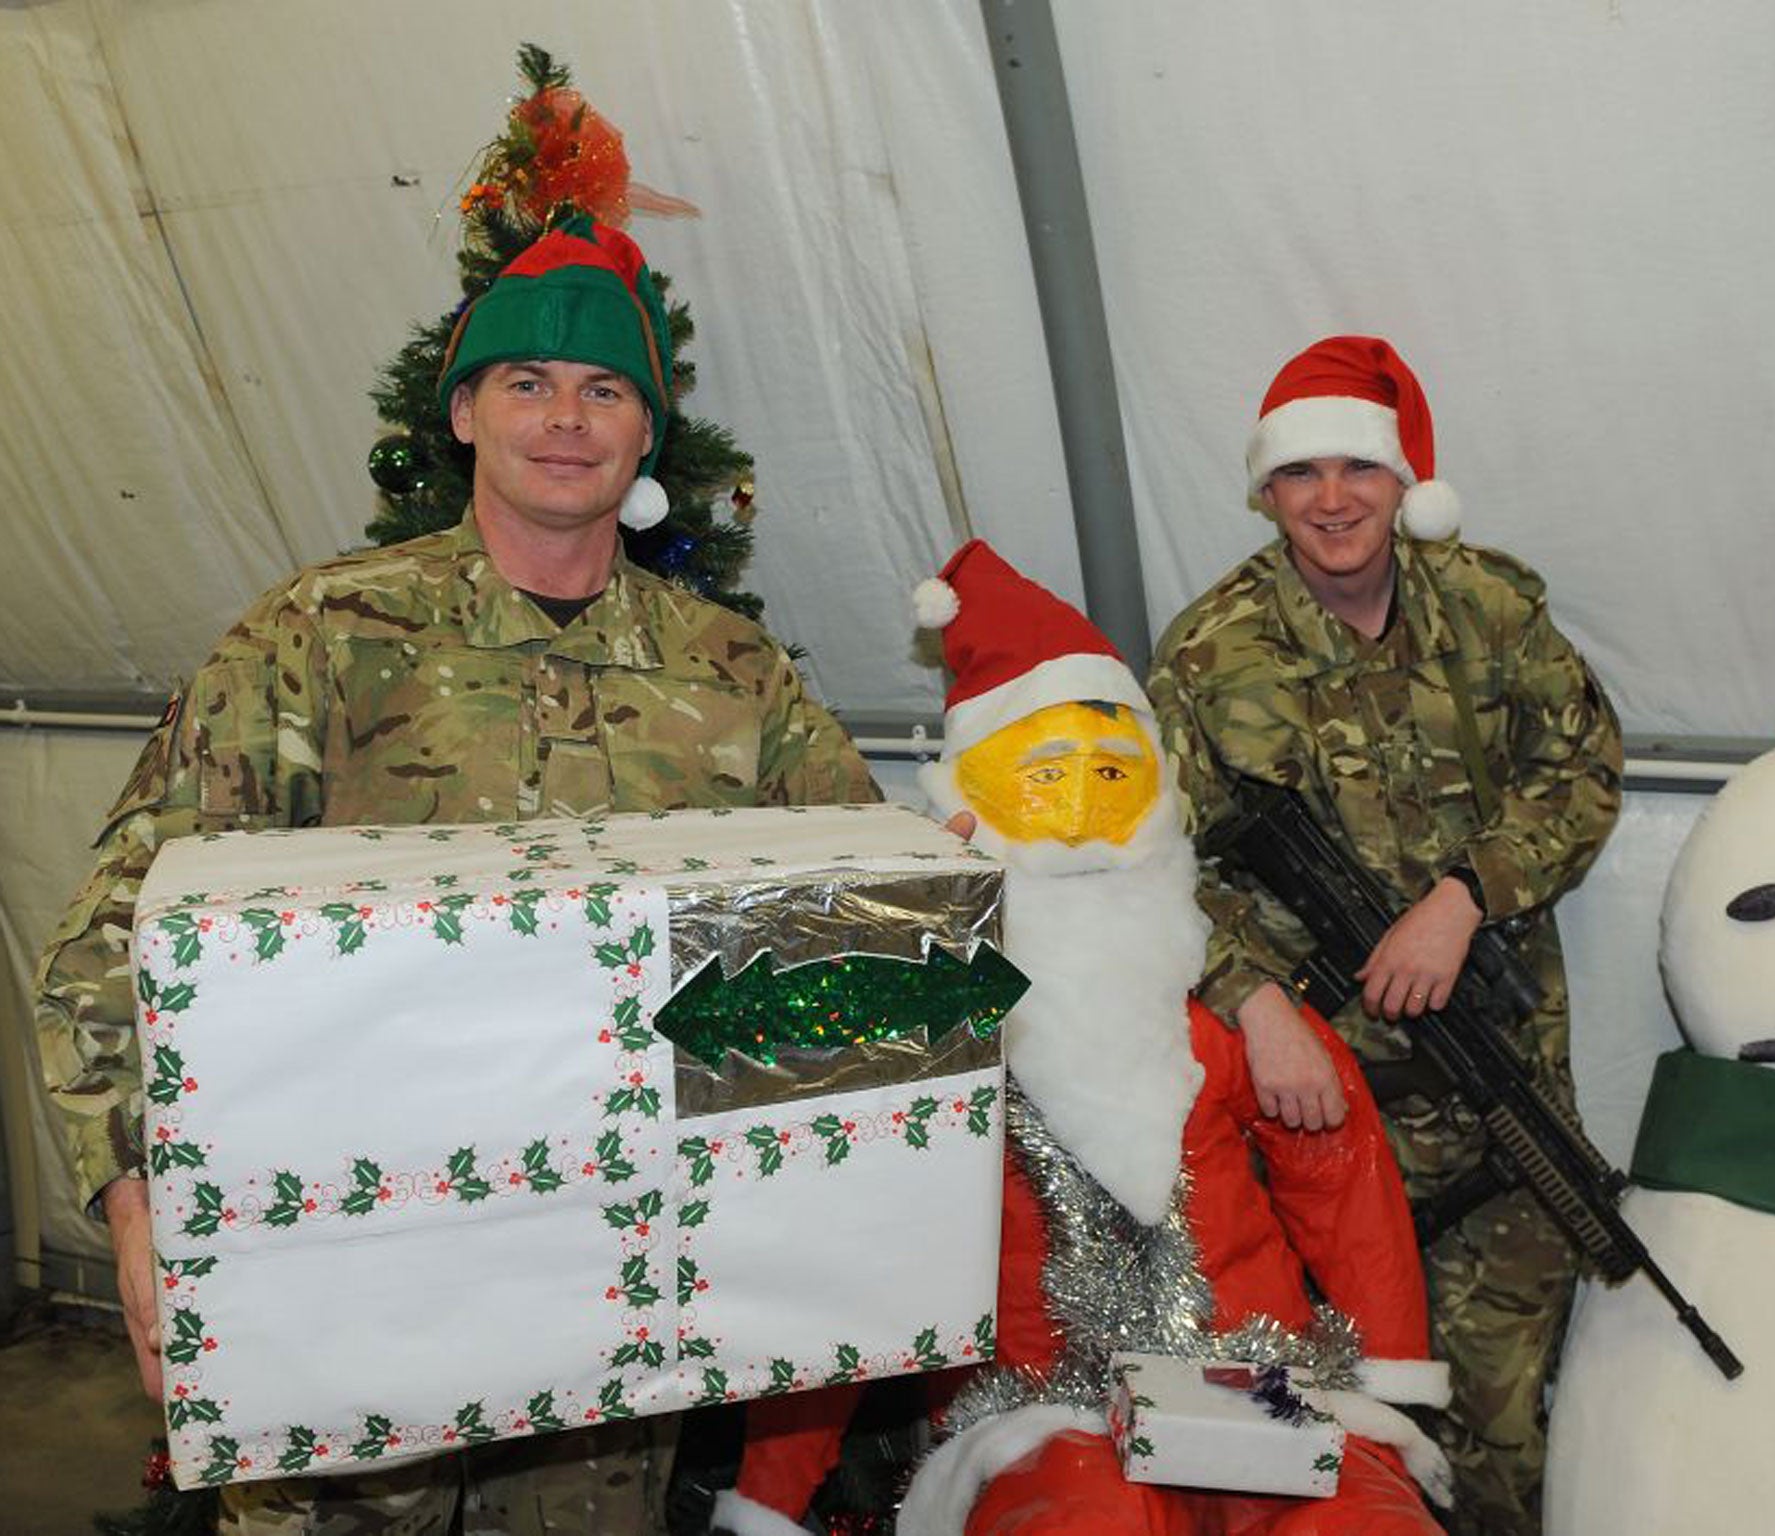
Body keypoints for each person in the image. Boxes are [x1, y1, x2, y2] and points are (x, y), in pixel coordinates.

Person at [35, 214, 879, 1535]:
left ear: (645, 433)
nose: (567, 417)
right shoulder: (319, 641)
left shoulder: (735, 678)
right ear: (466, 413)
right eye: (527, 384)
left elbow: (856, 921)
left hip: (608, 1309)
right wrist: (138, 1209)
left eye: (605, 389)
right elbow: (117, 929)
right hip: (335, 1277)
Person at [1146, 336, 1623, 1536]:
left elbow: (1580, 766)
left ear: (1402, 481)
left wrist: (1462, 898)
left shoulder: (1488, 607)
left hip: (1497, 1091)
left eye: (1354, 469)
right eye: (1298, 474)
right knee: (1311, 1422)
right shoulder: (1209, 656)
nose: (1330, 500)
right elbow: (1147, 866)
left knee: (1499, 1422)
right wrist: (1258, 1008)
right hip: (1314, 1114)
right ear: (1264, 493)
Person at [887, 540, 1451, 1536]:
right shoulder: (933, 1011)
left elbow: (1338, 1174)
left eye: (1111, 771)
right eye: (1044, 770)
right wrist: (773, 1482)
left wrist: (1385, 1371)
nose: (1076, 810)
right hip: (1045, 1393)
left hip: (1257, 1370)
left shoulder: (1220, 1007)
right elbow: (846, 1230)